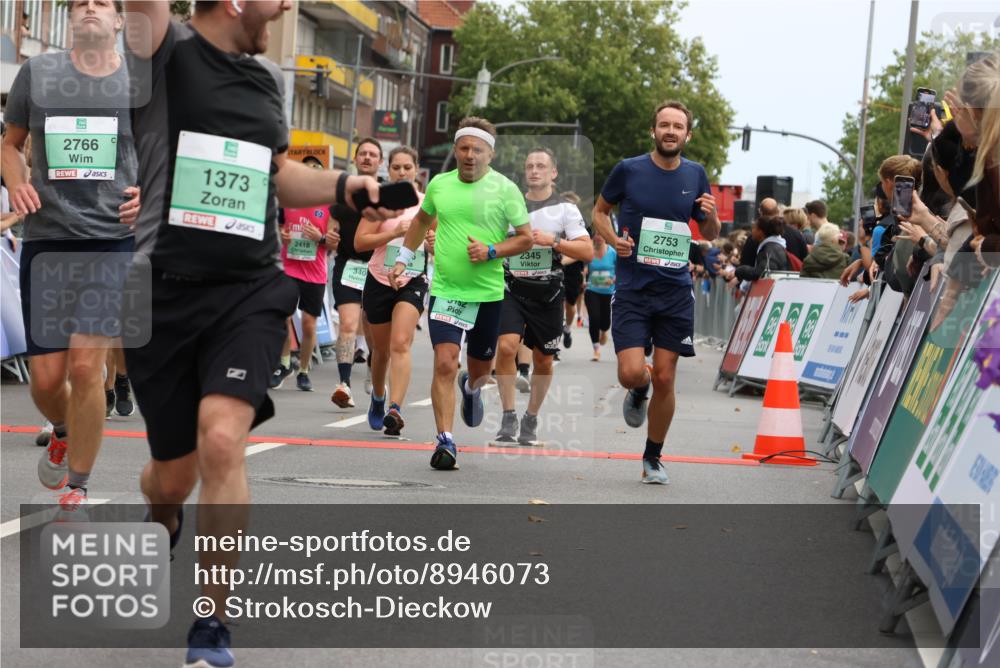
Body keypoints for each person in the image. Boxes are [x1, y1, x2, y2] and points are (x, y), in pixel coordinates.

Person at [122, 2, 395, 665]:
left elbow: (277, 173)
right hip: (161, 291)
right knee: (171, 476)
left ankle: (212, 622)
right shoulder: (165, 52)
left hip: (248, 287)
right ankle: (163, 516)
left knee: (222, 438)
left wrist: (345, 185)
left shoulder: (265, 78)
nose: (283, 10)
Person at [2, 0, 142, 509]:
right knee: (45, 380)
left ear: (120, 20)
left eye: (101, 2)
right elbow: (10, 143)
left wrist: (150, 191)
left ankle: (79, 485)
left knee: (87, 369)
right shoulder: (37, 73)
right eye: (81, 1)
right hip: (48, 239)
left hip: (112, 241)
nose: (89, 7)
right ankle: (62, 426)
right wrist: (17, 183)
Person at [389, 117, 532, 470]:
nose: (470, 155)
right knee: (444, 362)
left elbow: (526, 237)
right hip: (447, 290)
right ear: (456, 150)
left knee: (480, 369)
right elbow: (422, 221)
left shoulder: (505, 189)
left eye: (477, 150)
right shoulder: (440, 184)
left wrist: (492, 251)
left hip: (486, 294)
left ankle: (472, 387)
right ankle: (445, 441)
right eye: (464, 148)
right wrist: (403, 259)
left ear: (490, 154)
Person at [592, 100, 720, 485]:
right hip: (633, 287)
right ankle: (639, 388)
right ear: (654, 131)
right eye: (664, 124)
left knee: (667, 377)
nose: (670, 131)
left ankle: (653, 457)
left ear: (687, 135)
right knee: (632, 372)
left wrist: (711, 215)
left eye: (677, 126)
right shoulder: (629, 169)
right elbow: (599, 211)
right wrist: (615, 241)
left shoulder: (696, 175)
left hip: (675, 291)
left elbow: (710, 233)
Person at [493, 147, 592, 444]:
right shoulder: (510, 205)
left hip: (548, 294)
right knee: (507, 346)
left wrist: (554, 241)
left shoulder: (565, 209)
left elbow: (586, 250)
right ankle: (508, 415)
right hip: (511, 288)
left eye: (540, 166)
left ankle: (531, 417)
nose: (534, 170)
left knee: (544, 361)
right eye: (529, 166)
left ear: (553, 173)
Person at [355, 145, 433, 435]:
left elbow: (439, 237)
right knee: (381, 351)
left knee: (401, 343)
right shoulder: (380, 202)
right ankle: (378, 396)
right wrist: (395, 233)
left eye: (407, 167)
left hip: (412, 279)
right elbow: (360, 242)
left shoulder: (426, 203)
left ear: (416, 170)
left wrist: (435, 244)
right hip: (379, 278)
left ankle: (395, 409)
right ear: (389, 170)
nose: (402, 172)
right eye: (396, 167)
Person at [271, 158, 332, 392]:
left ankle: (304, 370)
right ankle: (284, 363)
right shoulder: (287, 201)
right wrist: (282, 235)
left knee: (308, 324)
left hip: (314, 273)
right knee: (282, 315)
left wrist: (321, 238)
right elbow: (277, 228)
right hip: (289, 268)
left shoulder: (328, 206)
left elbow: (335, 242)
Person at [329, 138, 381, 407]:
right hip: (347, 265)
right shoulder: (342, 195)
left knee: (372, 329)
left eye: (373, 154)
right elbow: (331, 230)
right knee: (348, 325)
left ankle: (375, 371)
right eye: (363, 153)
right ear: (355, 158)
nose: (367, 158)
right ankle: (344, 384)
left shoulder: (386, 196)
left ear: (379, 162)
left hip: (377, 270)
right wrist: (328, 238)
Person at [723, 215, 789, 282]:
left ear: (760, 231)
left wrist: (739, 270)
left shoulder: (770, 250)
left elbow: (761, 273)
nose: (752, 231)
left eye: (754, 227)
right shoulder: (771, 247)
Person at [584, 233, 616, 361]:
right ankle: (596, 349)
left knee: (605, 321)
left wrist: (614, 279)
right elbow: (583, 267)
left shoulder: (613, 253)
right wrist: (583, 276)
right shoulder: (588, 251)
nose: (598, 236)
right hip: (592, 289)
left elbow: (621, 270)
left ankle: (604, 331)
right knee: (594, 317)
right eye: (596, 234)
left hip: (608, 291)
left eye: (600, 234)